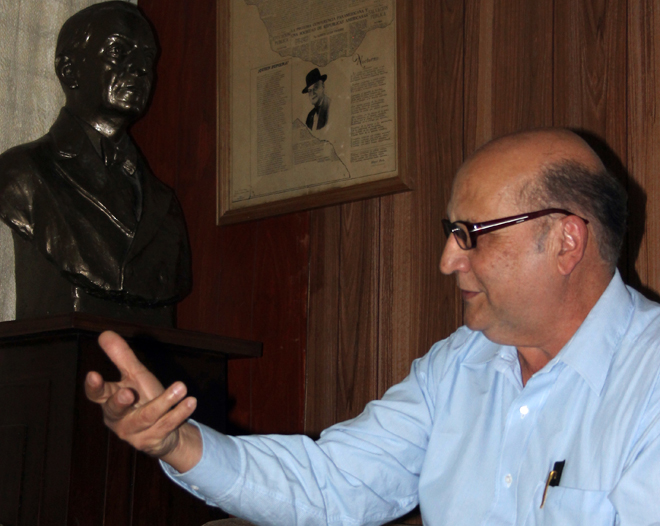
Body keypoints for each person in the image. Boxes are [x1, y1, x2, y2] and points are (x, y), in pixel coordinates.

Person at [86, 129, 660, 525]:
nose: (447, 260)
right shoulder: (458, 364)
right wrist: (179, 442)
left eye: (471, 234)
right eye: (449, 232)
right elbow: (333, 484)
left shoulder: (650, 377)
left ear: (566, 241)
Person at [0, 2, 191, 324]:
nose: (141, 69)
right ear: (69, 70)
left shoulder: (164, 203)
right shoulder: (21, 174)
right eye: (118, 51)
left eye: (147, 57)